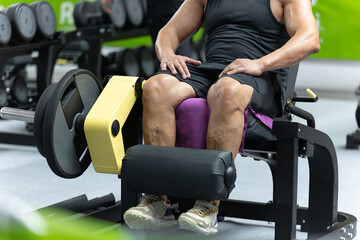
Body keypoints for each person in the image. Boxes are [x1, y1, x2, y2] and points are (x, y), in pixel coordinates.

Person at [107, 0, 320, 235]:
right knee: (156, 87)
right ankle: (157, 197)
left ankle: (209, 205)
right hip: (214, 71)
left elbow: (309, 39)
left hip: (260, 77)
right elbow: (169, 30)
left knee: (226, 91)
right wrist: (167, 54)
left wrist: (260, 63)